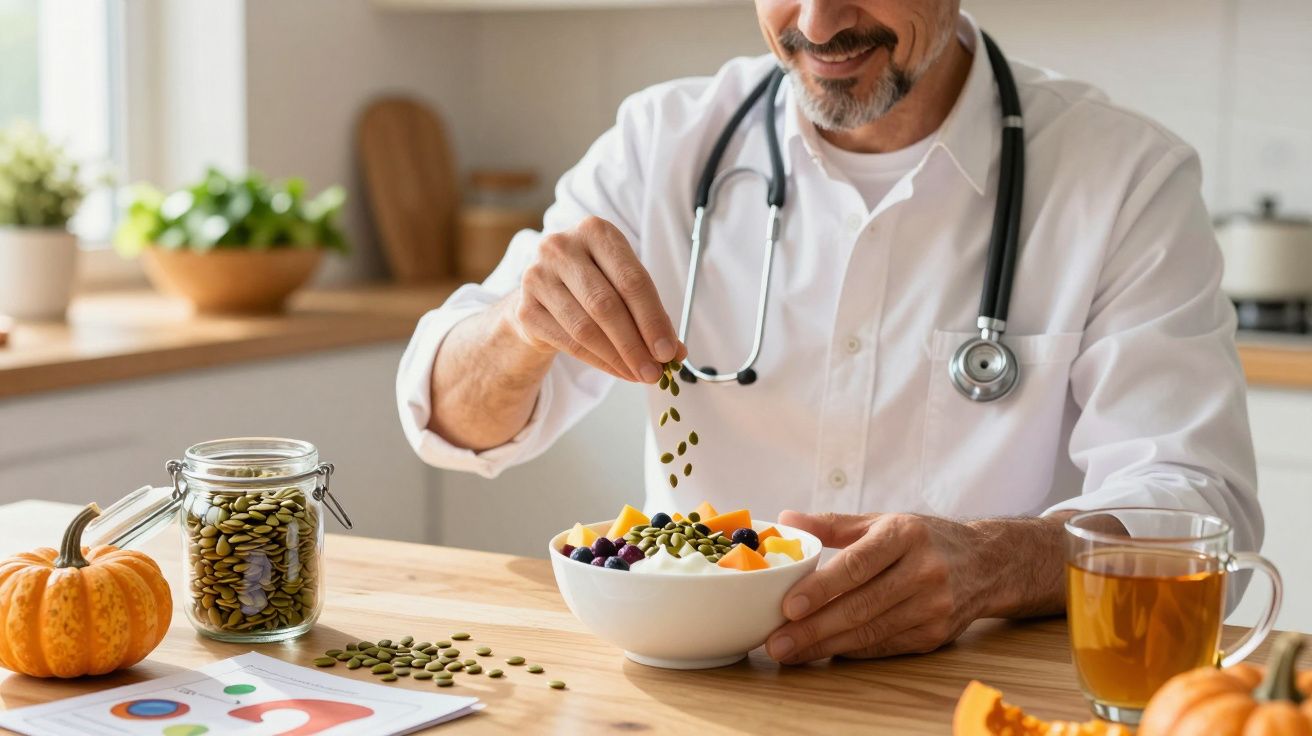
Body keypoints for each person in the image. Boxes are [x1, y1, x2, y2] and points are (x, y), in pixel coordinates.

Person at [397, 1, 1259, 665]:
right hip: (704, 701)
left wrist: (998, 564)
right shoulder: (662, 147)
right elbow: (449, 420)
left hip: (981, 697)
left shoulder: (1124, 178)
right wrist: (519, 329)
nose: (818, 24)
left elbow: (1197, 509)